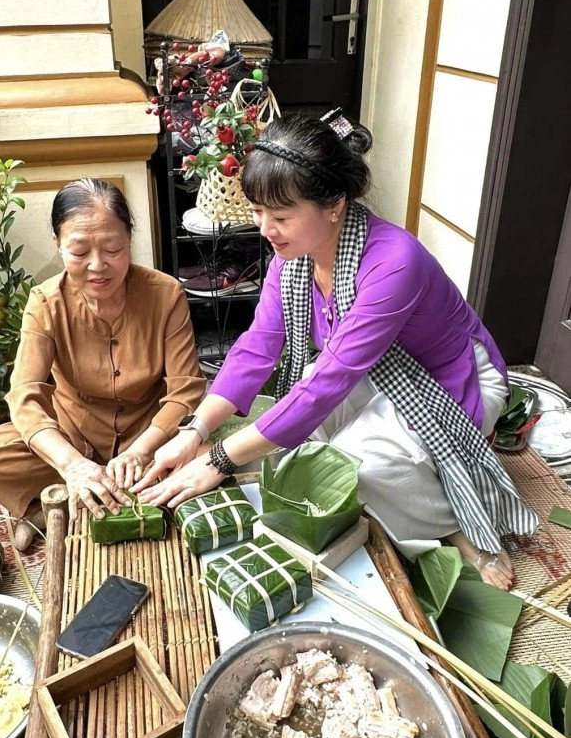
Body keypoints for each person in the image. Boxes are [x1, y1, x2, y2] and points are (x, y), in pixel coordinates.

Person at [135, 114, 538, 589]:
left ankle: (457, 526)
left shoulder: (394, 262)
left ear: (334, 205)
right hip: (373, 374)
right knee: (309, 448)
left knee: (350, 465)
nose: (266, 229)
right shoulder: (292, 261)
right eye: (260, 212)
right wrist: (195, 430)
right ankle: (414, 491)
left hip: (451, 378)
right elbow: (256, 349)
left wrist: (217, 459)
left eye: (281, 216)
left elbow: (325, 385)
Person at [0, 178, 206, 549]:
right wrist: (71, 463)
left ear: (130, 239)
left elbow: (186, 391)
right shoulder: (45, 303)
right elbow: (24, 398)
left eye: (113, 248)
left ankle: (68, 505)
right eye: (78, 251)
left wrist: (141, 449)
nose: (97, 266)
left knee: (211, 458)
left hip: (149, 437)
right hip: (75, 435)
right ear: (58, 245)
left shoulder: (165, 294)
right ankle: (48, 507)